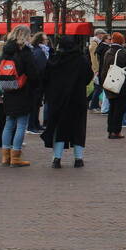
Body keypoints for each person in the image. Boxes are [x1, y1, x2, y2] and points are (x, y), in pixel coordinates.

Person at [41, 35, 91, 168]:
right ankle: (78, 159)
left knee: (59, 128)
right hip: (77, 98)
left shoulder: (55, 59)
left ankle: (57, 158)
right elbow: (88, 76)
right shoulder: (81, 59)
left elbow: (45, 77)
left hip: (58, 99)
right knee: (78, 128)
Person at [0, 25, 39, 166]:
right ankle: (16, 156)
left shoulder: (6, 50)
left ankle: (5, 156)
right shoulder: (26, 52)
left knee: (9, 123)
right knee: (21, 124)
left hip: (8, 88)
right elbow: (33, 74)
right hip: (23, 90)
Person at [102, 32, 126, 139]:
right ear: (122, 41)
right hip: (122, 84)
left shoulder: (108, 52)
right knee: (120, 108)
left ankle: (110, 130)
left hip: (110, 83)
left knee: (112, 108)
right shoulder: (124, 52)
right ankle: (116, 132)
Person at [28, 32, 49, 132]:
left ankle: (35, 124)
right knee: (35, 105)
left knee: (36, 105)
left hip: (37, 83)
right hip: (38, 83)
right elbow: (42, 68)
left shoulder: (37, 50)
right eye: (45, 40)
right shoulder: (40, 52)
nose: (47, 41)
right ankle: (32, 125)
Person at [88, 28, 109, 114]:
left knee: (98, 88)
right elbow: (94, 58)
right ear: (99, 34)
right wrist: (96, 69)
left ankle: (94, 104)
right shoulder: (94, 44)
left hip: (98, 68)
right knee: (98, 88)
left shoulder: (97, 43)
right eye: (103, 34)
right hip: (96, 69)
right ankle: (93, 106)